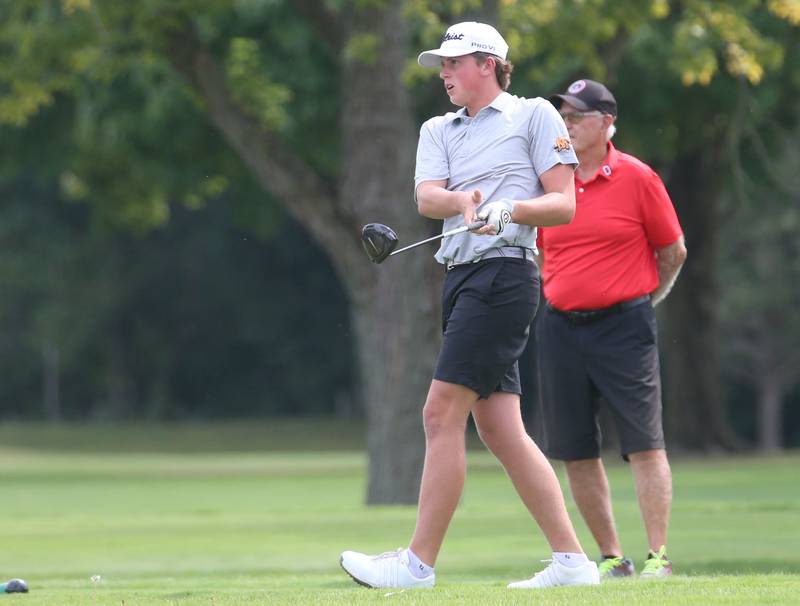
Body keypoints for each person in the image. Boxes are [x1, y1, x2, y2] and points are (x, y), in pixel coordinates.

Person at [340, 22, 599, 590]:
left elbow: (563, 205)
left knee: (439, 414)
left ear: (488, 63)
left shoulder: (535, 116)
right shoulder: (438, 127)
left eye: (453, 63)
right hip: (460, 279)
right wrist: (461, 201)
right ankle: (573, 564)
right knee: (501, 428)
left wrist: (512, 210)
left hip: (505, 276)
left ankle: (416, 565)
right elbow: (427, 195)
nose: (443, 73)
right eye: (441, 64)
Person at [536, 78, 687, 579]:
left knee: (644, 443)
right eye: (563, 116)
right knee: (575, 448)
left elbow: (673, 252)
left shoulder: (638, 177)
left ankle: (658, 557)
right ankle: (611, 558)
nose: (567, 124)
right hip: (560, 327)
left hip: (625, 326)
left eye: (577, 116)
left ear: (605, 122)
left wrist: (645, 300)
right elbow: (536, 248)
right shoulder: (548, 181)